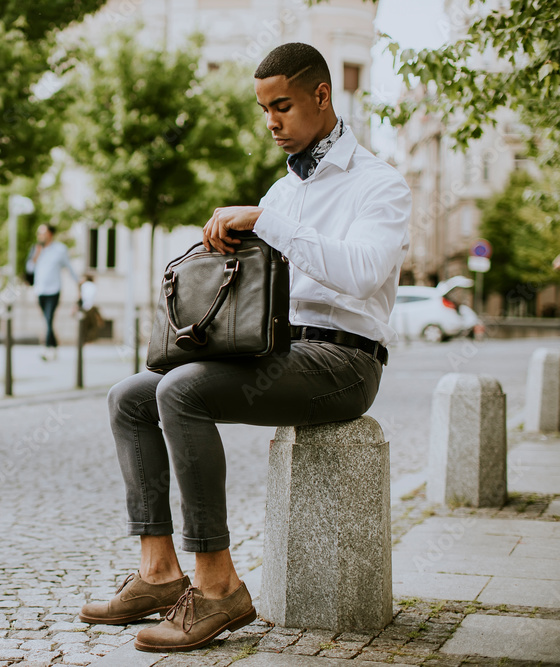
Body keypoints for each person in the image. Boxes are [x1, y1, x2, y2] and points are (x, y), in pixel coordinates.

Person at [79, 42, 411, 653]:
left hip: (345, 361)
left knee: (182, 392)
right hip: (274, 353)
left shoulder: (378, 185)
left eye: (281, 106)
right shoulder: (282, 193)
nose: (271, 122)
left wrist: (265, 221)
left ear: (321, 95)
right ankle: (158, 574)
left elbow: (363, 272)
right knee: (130, 395)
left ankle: (217, 585)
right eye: (263, 109)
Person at [25, 224, 78, 361]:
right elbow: (29, 270)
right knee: (47, 320)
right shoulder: (36, 249)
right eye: (38, 233)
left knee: (49, 318)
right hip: (40, 290)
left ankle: (46, 348)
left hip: (54, 290)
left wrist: (78, 281)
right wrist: (35, 256)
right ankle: (54, 347)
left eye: (42, 233)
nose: (39, 236)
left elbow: (69, 266)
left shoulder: (60, 249)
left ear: (50, 234)